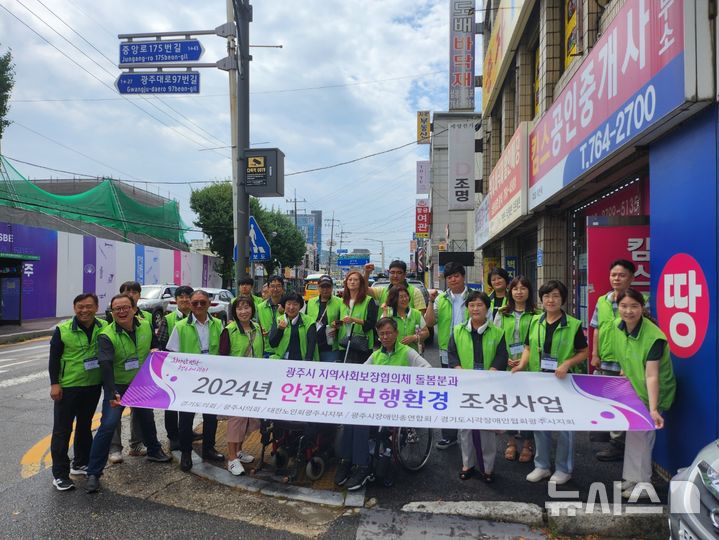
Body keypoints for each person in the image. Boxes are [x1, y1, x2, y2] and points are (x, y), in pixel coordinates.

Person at [85, 294, 171, 493]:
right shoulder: (107, 335)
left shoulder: (145, 326)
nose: (122, 312)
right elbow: (105, 364)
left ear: (134, 309)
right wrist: (112, 391)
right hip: (117, 385)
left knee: (146, 417)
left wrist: (155, 349)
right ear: (112, 313)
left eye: (125, 307)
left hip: (140, 382)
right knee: (107, 425)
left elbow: (155, 343)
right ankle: (93, 473)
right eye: (117, 309)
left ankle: (154, 450)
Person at [335, 317, 430, 491]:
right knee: (350, 418)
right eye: (381, 334)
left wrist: (408, 383)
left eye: (388, 333)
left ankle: (362, 466)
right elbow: (361, 373)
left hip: (397, 404)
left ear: (396, 333)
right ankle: (346, 461)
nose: (385, 337)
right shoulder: (376, 354)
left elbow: (427, 370)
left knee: (362, 423)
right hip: (376, 401)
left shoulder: (407, 352)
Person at [601, 288, 676, 499]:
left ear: (642, 308)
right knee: (633, 435)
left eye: (634, 306)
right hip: (634, 388)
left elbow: (652, 375)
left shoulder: (654, 337)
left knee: (642, 437)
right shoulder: (618, 326)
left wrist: (653, 409)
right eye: (624, 306)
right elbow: (625, 355)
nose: (629, 311)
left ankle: (643, 484)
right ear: (618, 307)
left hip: (653, 391)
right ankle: (632, 479)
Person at [512, 280, 588, 485]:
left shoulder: (573, 325)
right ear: (541, 299)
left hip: (564, 381)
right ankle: (542, 466)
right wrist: (522, 365)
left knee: (565, 427)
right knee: (540, 424)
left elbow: (584, 352)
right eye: (546, 296)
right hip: (539, 380)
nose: (550, 300)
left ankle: (564, 469)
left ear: (562, 299)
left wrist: (567, 364)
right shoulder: (536, 321)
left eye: (555, 296)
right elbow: (527, 347)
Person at [48, 293, 107, 491]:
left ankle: (81, 463)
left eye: (89, 306)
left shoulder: (104, 326)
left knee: (85, 425)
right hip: (69, 386)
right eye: (80, 306)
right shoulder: (63, 330)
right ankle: (60, 474)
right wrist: (54, 384)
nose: (84, 310)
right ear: (74, 308)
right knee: (62, 430)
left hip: (92, 385)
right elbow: (54, 359)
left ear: (96, 307)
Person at [448, 291, 508, 482]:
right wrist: (457, 369)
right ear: (467, 308)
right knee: (465, 428)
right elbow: (452, 354)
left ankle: (488, 468)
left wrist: (492, 371)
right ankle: (467, 464)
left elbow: (501, 356)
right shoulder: (457, 330)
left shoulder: (498, 332)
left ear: (487, 308)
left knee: (486, 429)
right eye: (471, 305)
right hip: (465, 386)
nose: (475, 309)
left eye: (479, 305)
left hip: (488, 387)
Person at [166, 290, 225, 472]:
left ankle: (208, 448)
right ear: (190, 305)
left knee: (210, 417)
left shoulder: (218, 325)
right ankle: (186, 453)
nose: (199, 306)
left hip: (211, 378)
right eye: (195, 303)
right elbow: (173, 354)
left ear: (209, 304)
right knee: (186, 418)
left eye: (202, 302)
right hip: (188, 379)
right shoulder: (181, 326)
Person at [589, 259, 637, 460]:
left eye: (622, 275)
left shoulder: (638, 301)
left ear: (631, 278)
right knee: (608, 402)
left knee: (625, 404)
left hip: (626, 364)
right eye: (613, 275)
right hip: (605, 361)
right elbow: (597, 328)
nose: (616, 278)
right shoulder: (603, 301)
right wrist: (594, 354)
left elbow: (639, 334)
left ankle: (620, 446)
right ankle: (614, 442)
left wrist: (630, 364)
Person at [106, 280, 155, 463]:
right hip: (118, 376)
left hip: (140, 376)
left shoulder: (147, 318)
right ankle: (114, 448)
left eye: (134, 292)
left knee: (139, 412)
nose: (131, 294)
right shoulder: (112, 317)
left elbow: (153, 342)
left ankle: (136, 444)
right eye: (126, 292)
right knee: (115, 414)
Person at [424, 261, 470, 450]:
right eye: (449, 277)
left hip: (470, 351)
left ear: (463, 276)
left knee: (469, 393)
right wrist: (431, 301)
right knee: (449, 394)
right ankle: (449, 436)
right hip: (446, 352)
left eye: (456, 275)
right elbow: (428, 322)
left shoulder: (474, 297)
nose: (452, 279)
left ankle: (471, 434)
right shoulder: (441, 299)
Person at [494, 276, 539, 463]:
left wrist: (524, 360)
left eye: (523, 288)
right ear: (510, 292)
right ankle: (511, 442)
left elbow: (539, 340)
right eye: (515, 288)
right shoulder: (502, 313)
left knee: (529, 405)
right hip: (508, 365)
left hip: (531, 366)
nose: (519, 291)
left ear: (529, 291)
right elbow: (496, 339)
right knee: (510, 404)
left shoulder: (538, 314)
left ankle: (528, 443)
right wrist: (507, 359)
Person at [219, 296, 264, 476]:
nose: (243, 311)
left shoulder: (257, 328)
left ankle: (238, 451)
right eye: (240, 308)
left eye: (247, 308)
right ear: (234, 311)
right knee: (236, 420)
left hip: (254, 382)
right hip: (235, 384)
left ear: (252, 309)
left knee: (248, 419)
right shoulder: (229, 331)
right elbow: (222, 358)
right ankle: (231, 458)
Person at [156, 285, 195, 451]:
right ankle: (173, 436)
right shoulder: (169, 319)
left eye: (188, 297)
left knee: (189, 403)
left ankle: (186, 431)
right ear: (176, 300)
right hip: (173, 370)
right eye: (181, 297)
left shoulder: (198, 317)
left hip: (193, 370)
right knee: (171, 404)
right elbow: (162, 344)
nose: (185, 300)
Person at [334, 271, 378, 364]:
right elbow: (342, 320)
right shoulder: (342, 301)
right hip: (344, 343)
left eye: (355, 280)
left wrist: (354, 320)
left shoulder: (368, 300)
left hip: (362, 345)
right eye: (350, 280)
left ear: (361, 283)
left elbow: (372, 323)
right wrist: (337, 324)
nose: (352, 282)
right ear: (346, 283)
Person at [269, 292, 318, 361]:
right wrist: (280, 330)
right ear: (284, 305)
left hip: (302, 360)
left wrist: (307, 361)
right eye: (288, 304)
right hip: (282, 360)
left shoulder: (309, 321)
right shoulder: (279, 320)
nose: (291, 307)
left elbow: (311, 344)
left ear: (300, 306)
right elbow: (273, 344)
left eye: (295, 304)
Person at [304, 275, 343, 362]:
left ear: (332, 287)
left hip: (331, 347)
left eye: (328, 286)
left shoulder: (340, 302)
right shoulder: (310, 302)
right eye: (322, 286)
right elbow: (305, 321)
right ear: (318, 287)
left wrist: (337, 328)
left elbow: (344, 321)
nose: (325, 289)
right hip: (313, 346)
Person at [382, 285, 428, 351]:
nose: (404, 299)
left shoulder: (416, 313)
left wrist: (414, 337)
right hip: (394, 355)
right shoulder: (388, 314)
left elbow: (426, 332)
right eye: (401, 297)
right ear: (394, 299)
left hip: (412, 354)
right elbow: (382, 333)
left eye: (406, 296)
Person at [257, 275, 285, 357]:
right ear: (268, 288)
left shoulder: (288, 306)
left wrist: (284, 313)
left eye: (279, 286)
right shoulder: (260, 307)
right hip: (266, 349)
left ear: (283, 289)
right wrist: (260, 330)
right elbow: (256, 325)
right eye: (272, 286)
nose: (275, 289)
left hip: (284, 349)